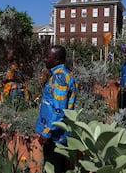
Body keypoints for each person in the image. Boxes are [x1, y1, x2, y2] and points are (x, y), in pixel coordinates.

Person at [34, 45, 77, 173]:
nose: (45, 59)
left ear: (57, 60)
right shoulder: (61, 75)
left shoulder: (60, 78)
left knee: (55, 167)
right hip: (54, 133)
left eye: (48, 57)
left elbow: (59, 110)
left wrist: (46, 132)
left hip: (55, 135)